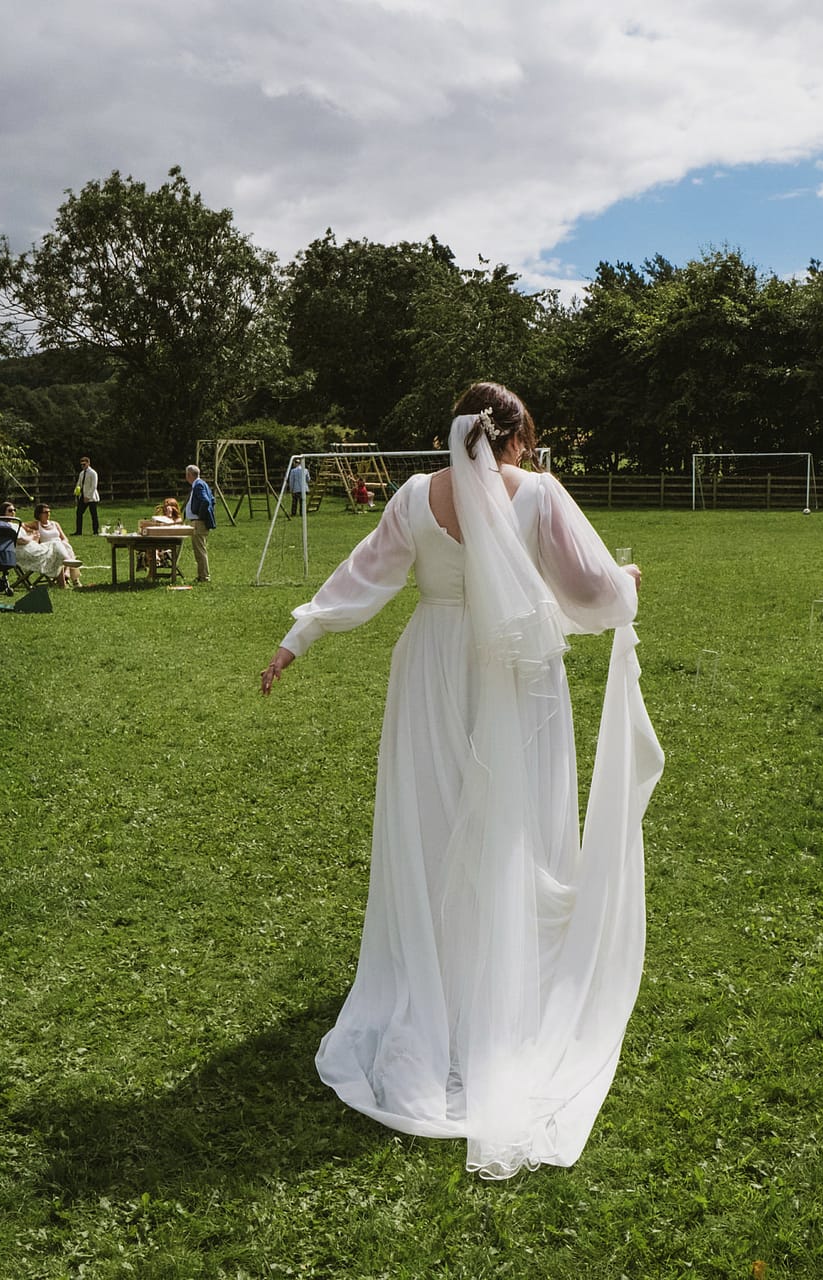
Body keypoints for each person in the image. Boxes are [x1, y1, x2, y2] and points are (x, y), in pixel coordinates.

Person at [258, 381, 662, 1179]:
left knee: (436, 820)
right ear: (517, 437)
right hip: (516, 674)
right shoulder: (539, 493)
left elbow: (362, 575)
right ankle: (503, 978)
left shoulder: (415, 495)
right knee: (515, 826)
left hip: (435, 667)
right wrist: (630, 582)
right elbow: (589, 589)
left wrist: (298, 636)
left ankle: (438, 974)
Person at [17, 503, 82, 588]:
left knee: (66, 548)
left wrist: (63, 543)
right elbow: (21, 524)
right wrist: (30, 530)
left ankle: (71, 577)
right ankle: (69, 577)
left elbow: (64, 538)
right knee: (63, 550)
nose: (48, 514)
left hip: (61, 545)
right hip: (48, 549)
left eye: (49, 512)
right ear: (39, 514)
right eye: (45, 512)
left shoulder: (55, 524)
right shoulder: (37, 524)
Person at [183, 464, 216, 583]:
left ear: (189, 475)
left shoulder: (198, 485)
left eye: (187, 474)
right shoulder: (201, 484)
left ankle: (204, 577)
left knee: (200, 550)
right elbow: (212, 500)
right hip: (198, 522)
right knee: (200, 549)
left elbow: (206, 501)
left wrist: (200, 516)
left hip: (198, 522)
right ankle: (202, 575)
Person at [72, 456, 101, 535]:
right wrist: (76, 491)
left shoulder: (93, 473)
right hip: (83, 496)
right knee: (79, 513)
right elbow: (79, 483)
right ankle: (78, 531)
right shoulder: (81, 473)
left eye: (84, 464)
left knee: (93, 514)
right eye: (81, 465)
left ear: (88, 463)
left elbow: (94, 486)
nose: (82, 466)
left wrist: (88, 496)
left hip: (92, 498)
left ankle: (95, 531)